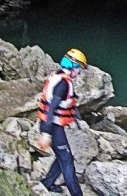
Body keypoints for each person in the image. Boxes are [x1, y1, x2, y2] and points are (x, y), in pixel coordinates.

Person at [37, 48, 88, 195]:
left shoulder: (58, 76)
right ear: (72, 67)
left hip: (52, 125)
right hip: (52, 126)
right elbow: (51, 109)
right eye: (79, 68)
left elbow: (69, 101)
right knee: (67, 161)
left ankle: (47, 183)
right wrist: (46, 133)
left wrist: (77, 118)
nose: (79, 72)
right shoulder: (63, 84)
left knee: (63, 157)